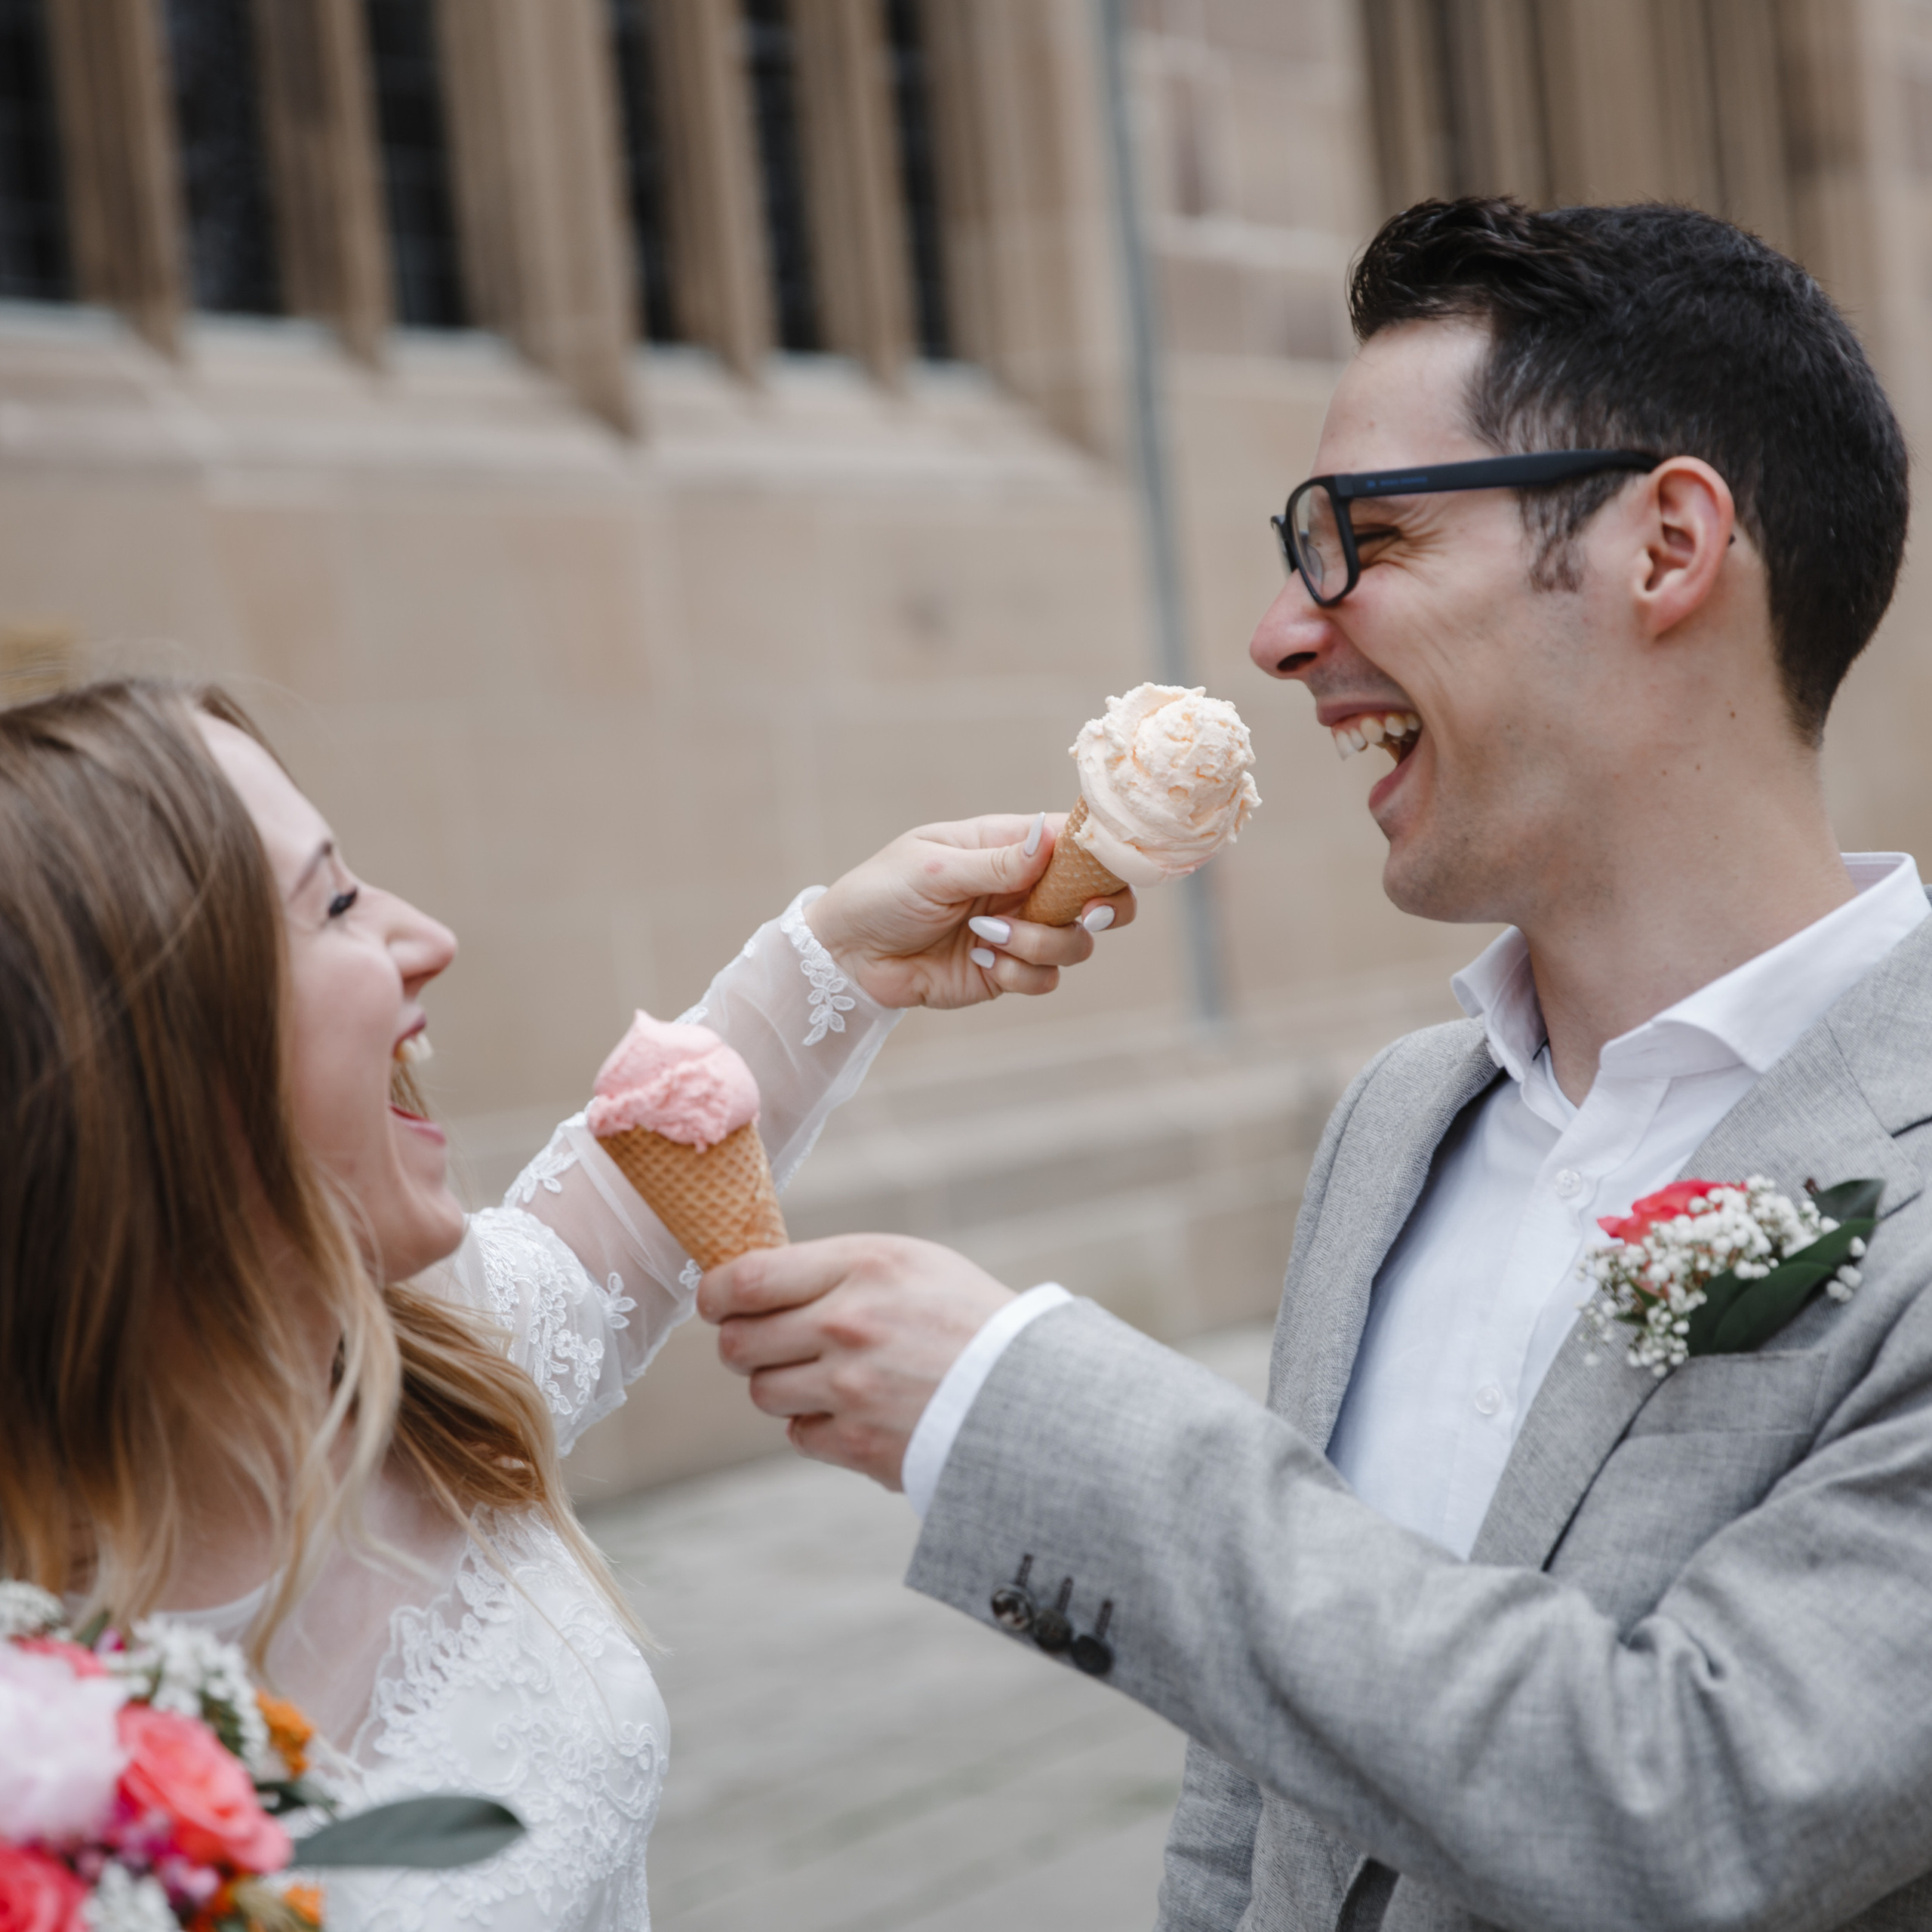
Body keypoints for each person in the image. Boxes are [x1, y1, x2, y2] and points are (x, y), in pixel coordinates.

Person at [697, 198, 1932, 1930]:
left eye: (1367, 537)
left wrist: (1023, 1405)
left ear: (1663, 546)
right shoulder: (1394, 1127)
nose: (1283, 633)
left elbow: (1688, 1805)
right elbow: (1252, 1797)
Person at [0, 676, 1132, 1932]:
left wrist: (846, 959)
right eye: (332, 903)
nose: (425, 934)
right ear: (138, 1073)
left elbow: (627, 1203)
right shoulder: (38, 1760)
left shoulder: (406, 1361)